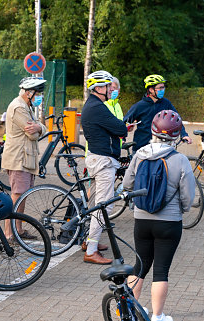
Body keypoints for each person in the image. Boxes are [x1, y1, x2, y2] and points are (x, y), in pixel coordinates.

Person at [123, 110, 195, 321]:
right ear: (175, 135)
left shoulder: (140, 153)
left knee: (140, 265)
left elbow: (127, 184)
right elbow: (188, 196)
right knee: (161, 270)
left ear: (153, 130)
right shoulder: (180, 159)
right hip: (169, 222)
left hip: (142, 219)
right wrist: (181, 209)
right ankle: (157, 316)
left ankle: (132, 312)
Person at [81, 70, 128, 264]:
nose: (111, 89)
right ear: (99, 88)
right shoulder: (97, 107)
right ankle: (91, 251)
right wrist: (121, 127)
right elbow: (120, 128)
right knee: (103, 207)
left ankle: (89, 241)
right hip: (102, 161)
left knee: (96, 205)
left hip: (98, 158)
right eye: (108, 86)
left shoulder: (93, 105)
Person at [1, 77, 46, 239]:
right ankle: (8, 233)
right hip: (18, 159)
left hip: (26, 159)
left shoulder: (26, 106)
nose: (40, 97)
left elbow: (39, 129)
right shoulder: (18, 107)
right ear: (29, 93)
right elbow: (33, 135)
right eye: (38, 93)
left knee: (22, 195)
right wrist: (40, 128)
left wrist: (39, 127)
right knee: (17, 195)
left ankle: (18, 230)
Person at [123, 74, 192, 153]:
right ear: (151, 90)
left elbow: (177, 119)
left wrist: (184, 135)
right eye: (160, 88)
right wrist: (123, 139)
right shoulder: (139, 106)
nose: (163, 90)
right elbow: (125, 122)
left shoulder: (166, 103)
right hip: (142, 147)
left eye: (163, 87)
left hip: (161, 147)